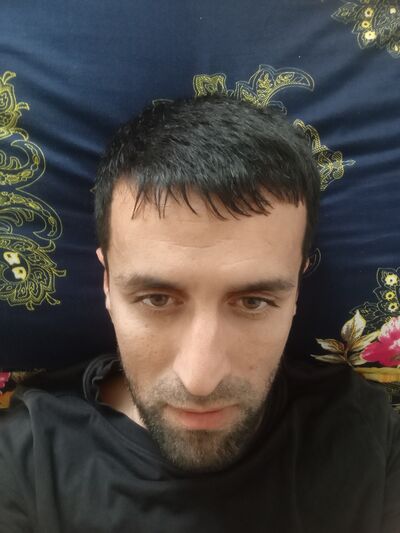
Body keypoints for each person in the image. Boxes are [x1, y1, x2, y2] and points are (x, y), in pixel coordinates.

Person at [0, 96, 399, 533]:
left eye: (253, 302)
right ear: (107, 284)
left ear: (297, 288)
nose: (200, 380)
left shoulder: (369, 439)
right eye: (156, 299)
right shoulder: (26, 461)